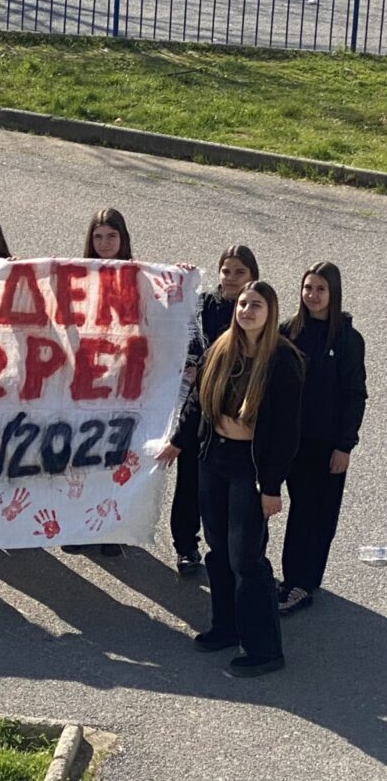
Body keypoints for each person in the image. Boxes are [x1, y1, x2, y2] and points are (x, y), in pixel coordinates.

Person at [157, 281, 304, 678]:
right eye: (242, 304)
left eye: (256, 305)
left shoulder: (283, 360)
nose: (247, 311)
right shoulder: (220, 349)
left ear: (270, 312)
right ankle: (226, 627)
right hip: (213, 459)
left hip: (249, 469)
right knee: (218, 550)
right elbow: (196, 401)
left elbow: (287, 433)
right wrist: (178, 441)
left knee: (246, 558)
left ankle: (264, 649)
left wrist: (271, 488)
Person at [278, 262, 367, 615]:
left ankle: (302, 583)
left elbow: (354, 395)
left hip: (325, 445)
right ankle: (280, 576)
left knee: (315, 515)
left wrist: (344, 445)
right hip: (288, 440)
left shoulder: (347, 340)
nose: (312, 295)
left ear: (333, 293)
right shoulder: (288, 331)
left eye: (320, 289)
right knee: (271, 506)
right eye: (308, 288)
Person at [171, 245, 260, 574]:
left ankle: (229, 550)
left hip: (234, 417)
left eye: (240, 272)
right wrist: (179, 278)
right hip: (197, 406)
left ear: (252, 276)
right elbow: (167, 316)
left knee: (226, 488)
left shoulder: (254, 311)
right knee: (188, 480)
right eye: (226, 271)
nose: (232, 278)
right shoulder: (202, 304)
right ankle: (185, 546)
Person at [66, 207, 134, 557]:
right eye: (98, 237)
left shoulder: (141, 277)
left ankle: (111, 530)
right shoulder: (77, 276)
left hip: (123, 384)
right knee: (82, 455)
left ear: (123, 239)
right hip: (85, 381)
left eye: (111, 236)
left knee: (116, 459)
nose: (104, 243)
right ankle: (78, 526)